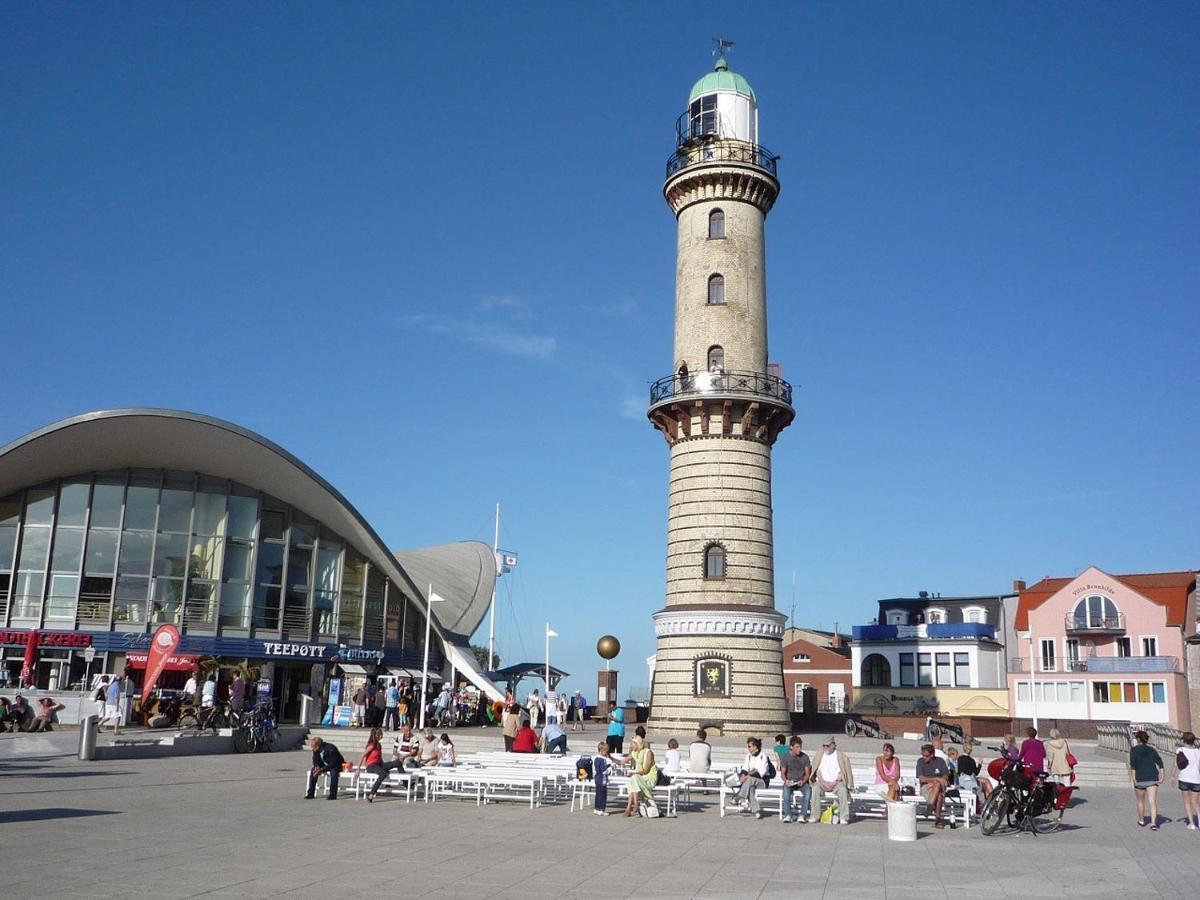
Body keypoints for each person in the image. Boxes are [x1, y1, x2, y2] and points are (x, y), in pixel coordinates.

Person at [814, 737, 854, 824]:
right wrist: (823, 782)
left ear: (833, 745)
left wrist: (834, 783)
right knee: (815, 788)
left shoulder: (840, 756)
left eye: (827, 746)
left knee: (843, 790)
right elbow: (818, 771)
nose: (825, 748)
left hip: (836, 783)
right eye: (823, 746)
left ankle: (844, 817)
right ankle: (815, 815)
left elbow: (842, 773)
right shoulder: (820, 754)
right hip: (822, 782)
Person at [1130, 729, 1164, 829]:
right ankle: (1153, 823)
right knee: (1152, 800)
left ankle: (1141, 820)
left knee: (1140, 801)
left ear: (1138, 739)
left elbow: (1133, 765)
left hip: (1140, 778)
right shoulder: (1152, 750)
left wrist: (1134, 778)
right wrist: (1162, 776)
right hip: (1152, 777)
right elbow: (1160, 762)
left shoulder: (1134, 750)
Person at [357, 728, 403, 802]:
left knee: (398, 762)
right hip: (371, 766)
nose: (382, 736)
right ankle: (371, 794)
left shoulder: (378, 745)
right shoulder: (371, 745)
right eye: (381, 734)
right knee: (383, 774)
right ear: (376, 735)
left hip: (379, 764)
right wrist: (358, 769)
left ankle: (405, 783)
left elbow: (379, 758)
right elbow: (362, 755)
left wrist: (385, 766)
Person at [733, 737, 772, 819]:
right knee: (750, 789)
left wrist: (748, 776)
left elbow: (761, 772)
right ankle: (757, 811)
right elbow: (745, 767)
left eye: (749, 746)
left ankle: (739, 796)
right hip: (750, 782)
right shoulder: (749, 756)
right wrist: (743, 775)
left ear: (755, 747)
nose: (748, 748)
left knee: (750, 779)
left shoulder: (763, 756)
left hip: (762, 782)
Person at [916, 743, 951, 829]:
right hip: (926, 787)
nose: (924, 757)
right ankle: (938, 818)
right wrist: (937, 780)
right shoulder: (920, 761)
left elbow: (945, 776)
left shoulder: (940, 761)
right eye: (923, 755)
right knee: (939, 795)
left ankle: (930, 806)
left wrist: (936, 782)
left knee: (938, 785)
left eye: (926, 756)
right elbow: (922, 779)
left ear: (932, 754)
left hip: (938, 786)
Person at [624, 736, 659, 817]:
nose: (631, 746)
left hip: (649, 778)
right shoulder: (635, 753)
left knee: (634, 778)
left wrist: (634, 774)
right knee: (633, 779)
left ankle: (632, 806)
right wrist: (611, 758)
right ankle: (631, 806)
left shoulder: (648, 753)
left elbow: (646, 770)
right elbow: (622, 761)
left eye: (632, 744)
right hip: (640, 778)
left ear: (637, 744)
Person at [780, 736, 812, 823]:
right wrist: (786, 780)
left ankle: (802, 815)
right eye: (797, 747)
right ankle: (788, 815)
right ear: (791, 747)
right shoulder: (786, 757)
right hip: (790, 781)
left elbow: (807, 773)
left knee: (808, 791)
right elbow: (782, 773)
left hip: (801, 781)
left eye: (800, 747)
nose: (799, 749)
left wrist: (804, 781)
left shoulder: (805, 757)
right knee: (786, 792)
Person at [1174, 731, 1200, 830]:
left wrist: (1172, 776)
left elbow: (1175, 764)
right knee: (1195, 802)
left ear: (1184, 740)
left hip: (1184, 778)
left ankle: (1191, 824)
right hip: (1196, 779)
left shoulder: (1180, 750)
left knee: (1187, 802)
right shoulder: (1198, 751)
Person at [593, 741, 613, 816]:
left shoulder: (596, 759)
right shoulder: (602, 760)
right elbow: (604, 771)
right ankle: (601, 809)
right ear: (601, 751)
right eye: (606, 752)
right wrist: (610, 768)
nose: (607, 753)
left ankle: (596, 808)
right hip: (602, 779)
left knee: (598, 794)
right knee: (603, 795)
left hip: (597, 778)